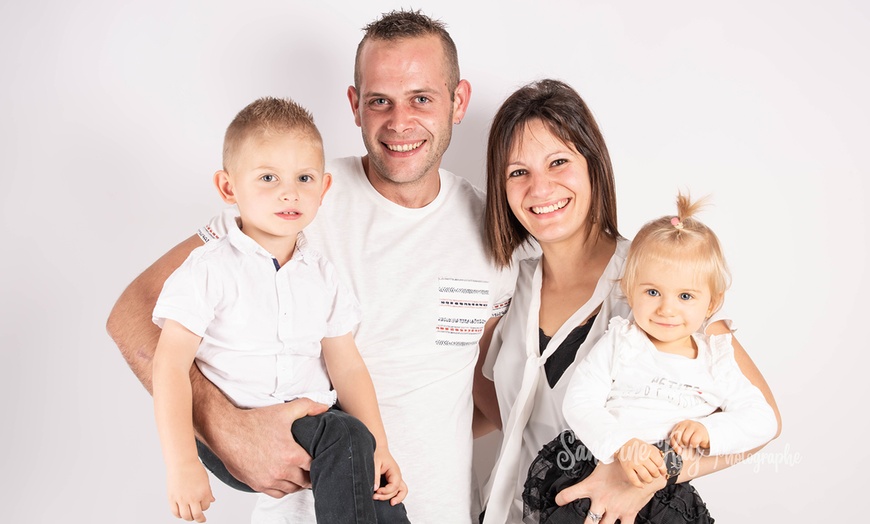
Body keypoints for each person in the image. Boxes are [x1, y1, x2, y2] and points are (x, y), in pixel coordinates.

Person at [107, 10, 517, 523]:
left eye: (422, 99)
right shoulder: (295, 197)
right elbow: (132, 313)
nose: (399, 122)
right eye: (379, 101)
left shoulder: (495, 229)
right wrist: (226, 426)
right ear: (354, 104)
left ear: (458, 102)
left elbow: (482, 398)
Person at [476, 79, 781, 524]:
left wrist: (650, 475)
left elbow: (763, 422)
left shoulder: (658, 281)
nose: (539, 189)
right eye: (518, 172)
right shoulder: (511, 282)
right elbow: (501, 407)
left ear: (593, 166)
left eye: (558, 162)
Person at [150, 96, 408, 523]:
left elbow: (347, 366)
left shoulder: (321, 274)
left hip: (313, 429)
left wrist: (381, 446)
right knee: (345, 433)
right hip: (234, 429)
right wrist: (181, 466)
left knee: (371, 472)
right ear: (228, 187)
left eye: (304, 178)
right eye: (268, 177)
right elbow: (169, 366)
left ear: (323, 189)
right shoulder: (209, 268)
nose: (289, 192)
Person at [522, 193, 778, 523]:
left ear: (712, 303)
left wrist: (710, 431)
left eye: (685, 296)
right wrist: (621, 445)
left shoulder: (716, 359)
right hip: (593, 464)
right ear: (630, 289)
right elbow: (580, 402)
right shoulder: (622, 341)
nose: (666, 308)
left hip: (665, 491)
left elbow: (764, 420)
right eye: (652, 292)